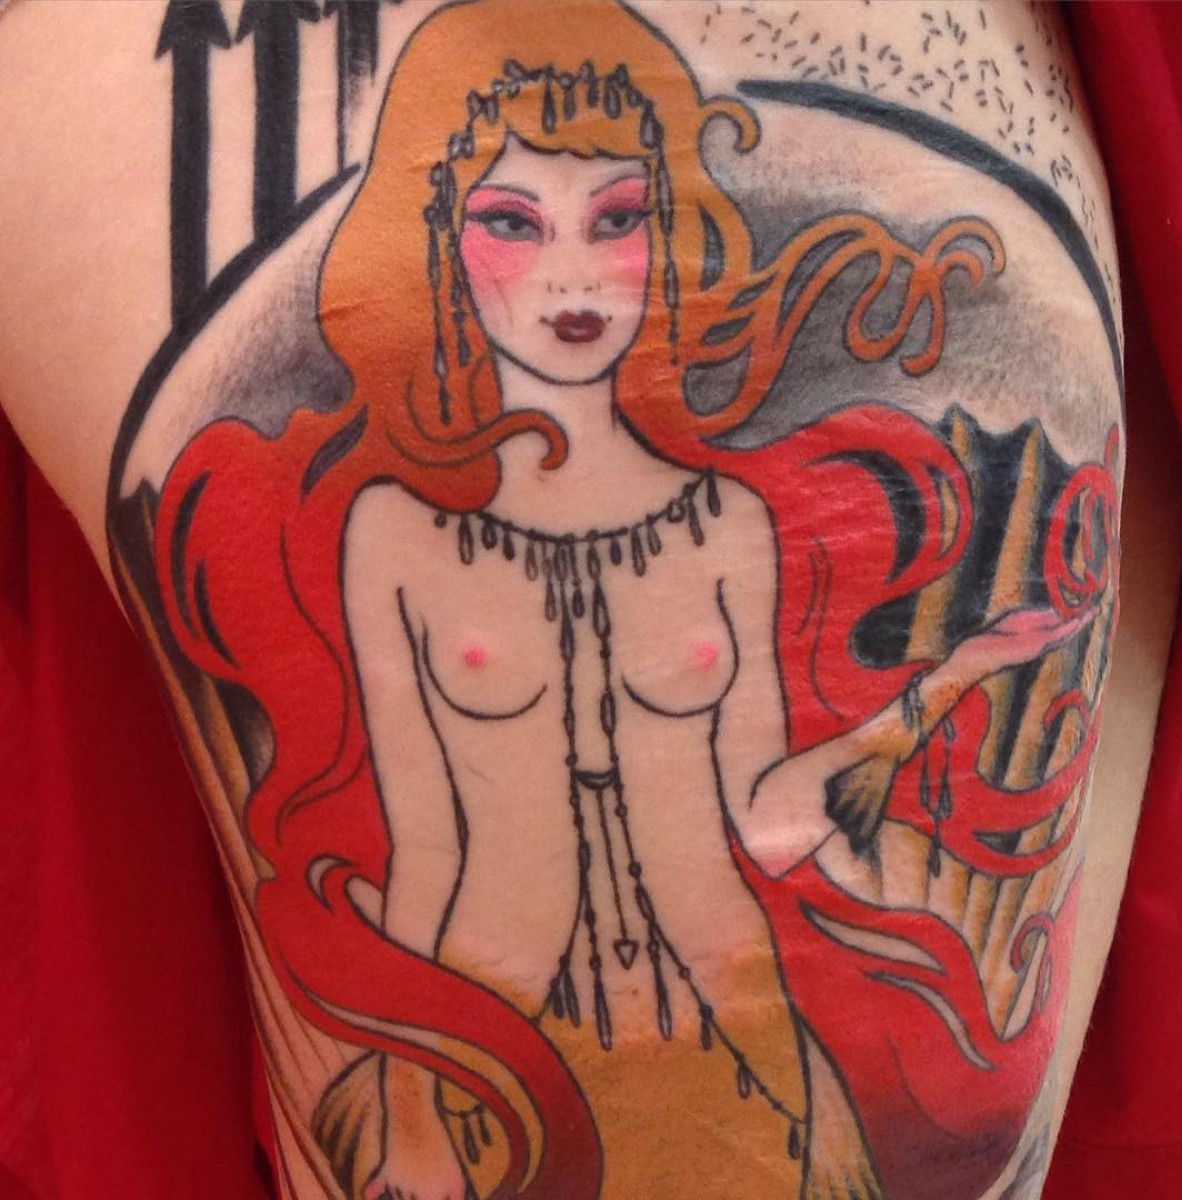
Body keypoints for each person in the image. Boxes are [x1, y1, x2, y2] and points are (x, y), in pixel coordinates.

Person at [149, 4, 1112, 1197]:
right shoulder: (398, 536)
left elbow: (760, 813)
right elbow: (423, 858)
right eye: (514, 222)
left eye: (615, 220)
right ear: (438, 236)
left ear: (669, 230)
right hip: (501, 1070)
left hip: (743, 1068)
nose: (572, 278)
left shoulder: (728, 526)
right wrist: (407, 1107)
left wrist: (951, 680)